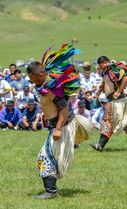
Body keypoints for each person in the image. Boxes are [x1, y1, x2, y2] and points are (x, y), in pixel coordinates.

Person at [26, 44, 93, 199]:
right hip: (59, 125)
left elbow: (63, 108)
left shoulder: (50, 88)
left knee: (45, 157)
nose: (30, 80)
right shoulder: (45, 84)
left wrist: (57, 129)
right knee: (49, 156)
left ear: (40, 74)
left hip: (61, 125)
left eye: (31, 77)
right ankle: (51, 190)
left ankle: (51, 192)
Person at [90, 56, 127, 151]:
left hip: (117, 100)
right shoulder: (105, 72)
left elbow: (125, 78)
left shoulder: (114, 69)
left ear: (105, 62)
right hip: (113, 100)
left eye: (100, 65)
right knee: (125, 122)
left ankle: (100, 145)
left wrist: (118, 91)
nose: (100, 67)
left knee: (108, 121)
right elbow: (104, 84)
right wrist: (97, 94)